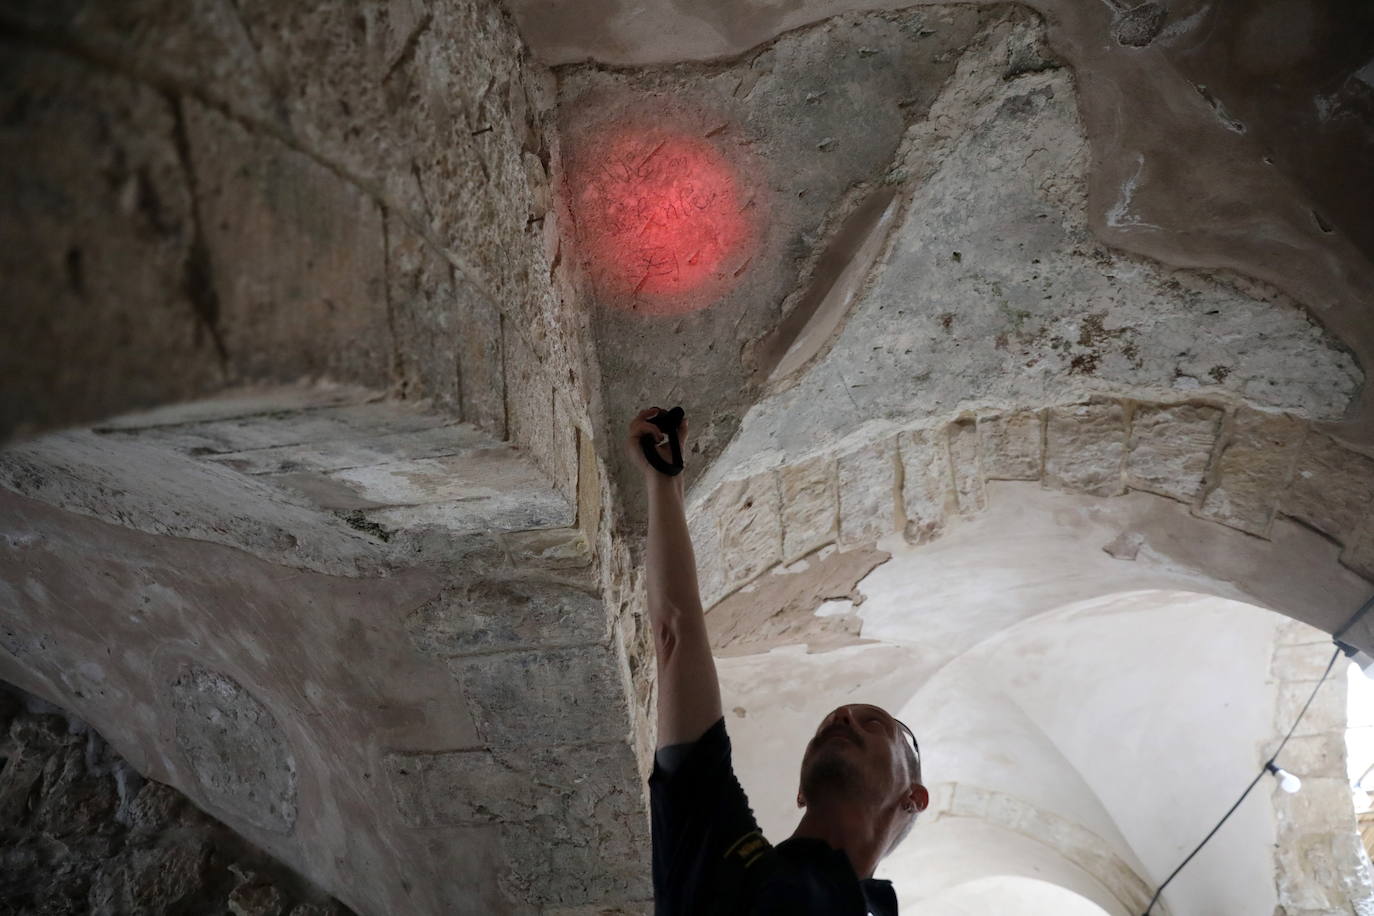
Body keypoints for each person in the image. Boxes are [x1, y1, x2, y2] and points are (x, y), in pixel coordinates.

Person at [626, 407, 929, 916]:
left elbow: (673, 636)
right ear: (800, 792)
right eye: (839, 718)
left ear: (911, 797)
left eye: (875, 722)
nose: (841, 716)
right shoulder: (722, 849)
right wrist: (665, 480)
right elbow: (675, 632)